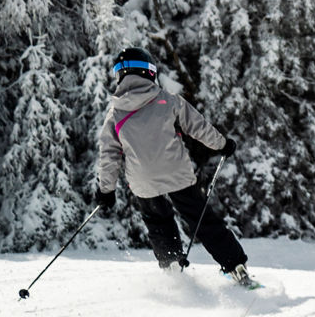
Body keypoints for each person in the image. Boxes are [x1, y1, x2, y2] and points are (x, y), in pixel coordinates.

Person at [95, 46, 254, 286]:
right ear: (150, 72)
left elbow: (109, 156)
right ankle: (236, 268)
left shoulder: (115, 113)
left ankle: (172, 273)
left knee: (159, 224)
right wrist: (222, 145)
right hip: (177, 174)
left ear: (120, 75)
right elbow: (198, 127)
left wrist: (106, 190)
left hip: (143, 182)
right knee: (202, 220)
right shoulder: (168, 101)